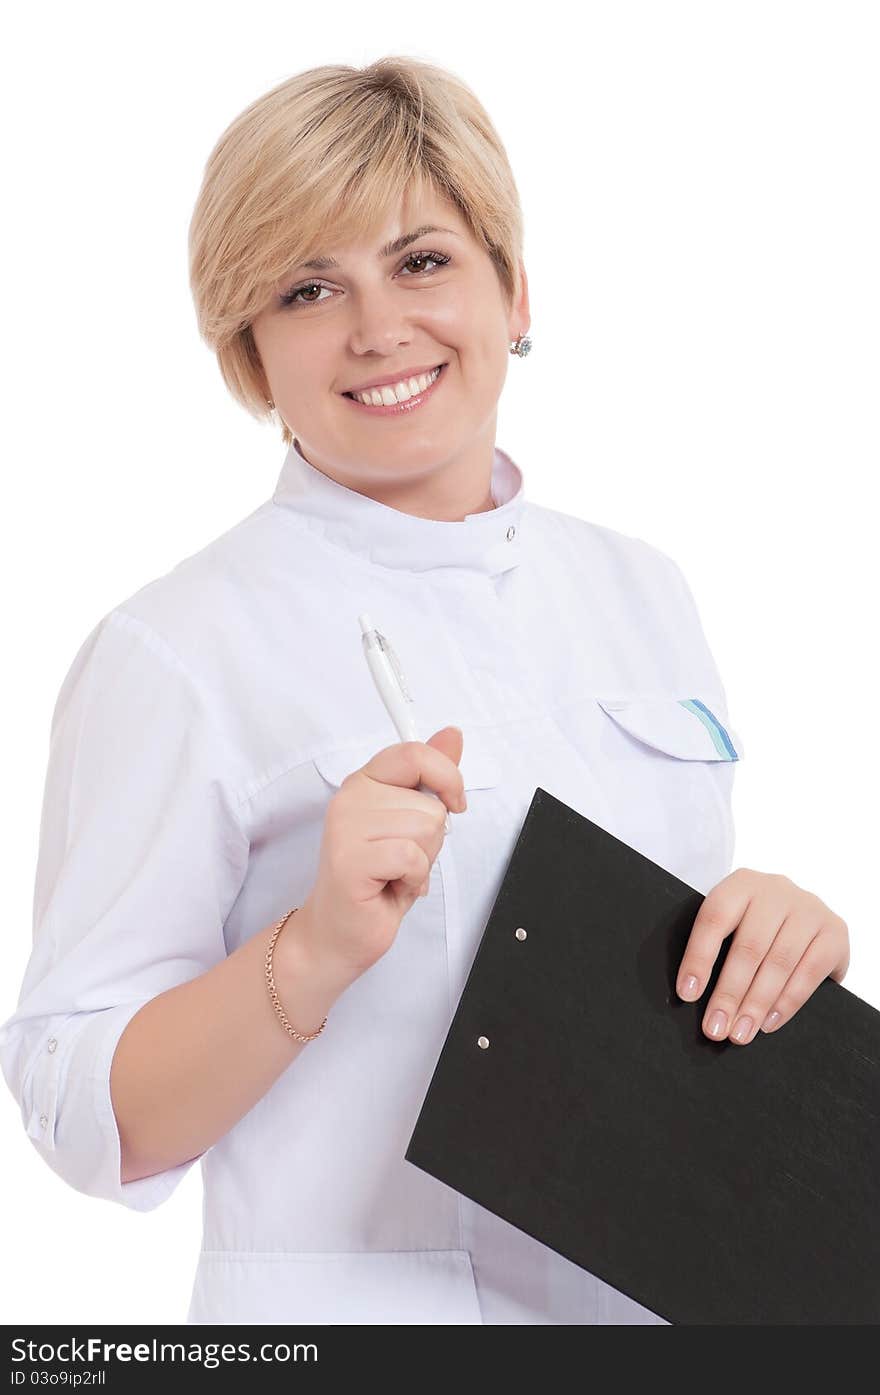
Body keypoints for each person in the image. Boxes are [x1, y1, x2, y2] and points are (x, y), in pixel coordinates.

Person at [0, 55, 850, 1326]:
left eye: (421, 262)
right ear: (252, 353)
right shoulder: (176, 651)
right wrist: (315, 947)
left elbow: (664, 1007)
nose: (377, 329)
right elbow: (77, 1111)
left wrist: (782, 962)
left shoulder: (641, 588)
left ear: (514, 290)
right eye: (307, 288)